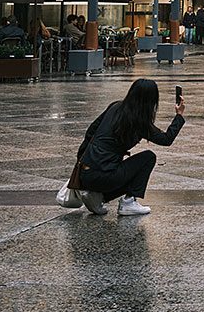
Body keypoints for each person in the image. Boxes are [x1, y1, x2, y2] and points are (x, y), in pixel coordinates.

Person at [75, 79, 185, 217]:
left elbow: (91, 132)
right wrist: (179, 116)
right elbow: (166, 139)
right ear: (151, 101)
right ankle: (128, 201)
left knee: (114, 168)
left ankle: (97, 195)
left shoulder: (115, 107)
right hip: (104, 176)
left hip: (85, 174)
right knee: (148, 158)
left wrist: (81, 162)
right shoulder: (139, 121)